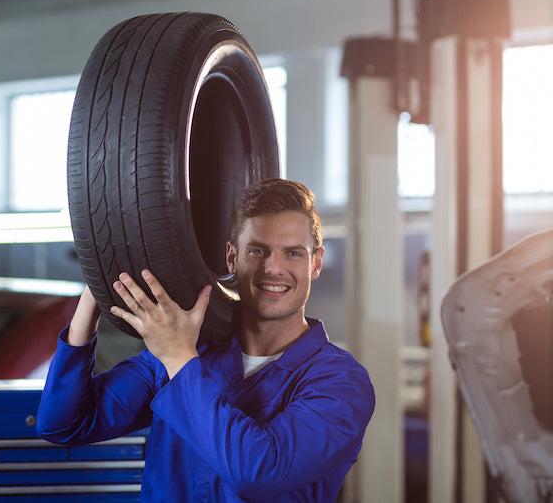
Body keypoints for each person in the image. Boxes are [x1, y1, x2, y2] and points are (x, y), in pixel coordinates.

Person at [37, 178, 375, 502]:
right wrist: (99, 282)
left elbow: (257, 473)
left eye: (293, 253)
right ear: (232, 258)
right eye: (257, 250)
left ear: (315, 263)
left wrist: (180, 359)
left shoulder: (340, 383)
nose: (274, 268)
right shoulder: (190, 349)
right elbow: (64, 424)